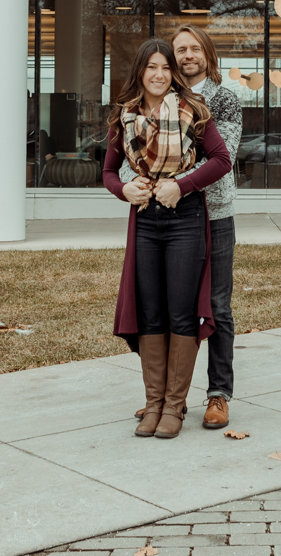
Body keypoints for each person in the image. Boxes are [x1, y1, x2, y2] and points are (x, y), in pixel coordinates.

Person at [103, 39, 230, 440]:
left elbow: (222, 161)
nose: (159, 74)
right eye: (151, 67)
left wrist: (182, 185)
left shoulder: (195, 112)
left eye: (165, 67)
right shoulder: (124, 117)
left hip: (185, 220)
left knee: (180, 313)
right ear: (140, 71)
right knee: (151, 313)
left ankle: (174, 407)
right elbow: (107, 172)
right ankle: (153, 404)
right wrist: (125, 190)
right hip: (145, 221)